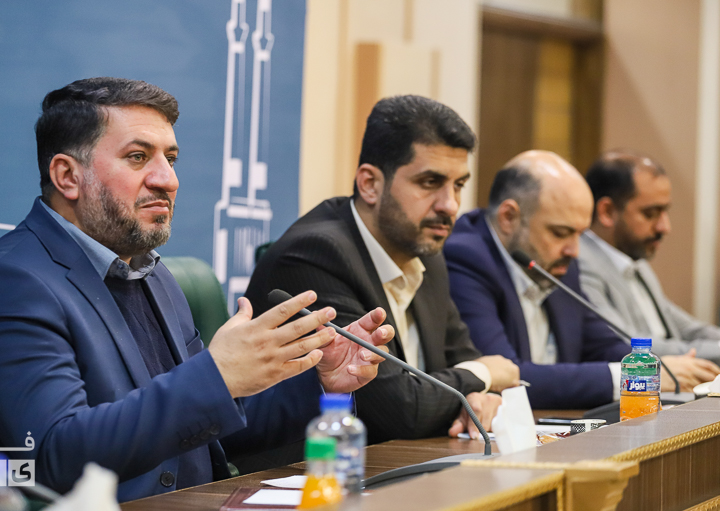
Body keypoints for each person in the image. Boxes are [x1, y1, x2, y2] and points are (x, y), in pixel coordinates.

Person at [0, 77, 393, 502]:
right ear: (67, 176)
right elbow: (57, 453)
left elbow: (208, 426)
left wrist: (320, 381)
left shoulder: (151, 273)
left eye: (170, 159)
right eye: (138, 157)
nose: (168, 180)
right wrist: (217, 376)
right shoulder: (9, 285)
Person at [243, 95, 518, 446]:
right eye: (430, 182)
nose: (450, 205)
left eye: (458, 185)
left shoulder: (425, 251)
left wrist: (483, 396)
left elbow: (463, 363)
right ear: (370, 184)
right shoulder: (315, 254)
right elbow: (397, 411)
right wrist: (484, 374)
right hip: (314, 469)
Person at [444, 150, 717, 409]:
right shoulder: (466, 258)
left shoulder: (560, 263)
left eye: (579, 234)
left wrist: (654, 368)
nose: (574, 251)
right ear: (508, 217)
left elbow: (602, 345)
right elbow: (505, 376)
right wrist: (638, 377)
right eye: (560, 233)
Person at [580, 150, 720, 371]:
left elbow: (685, 326)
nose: (665, 227)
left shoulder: (634, 259)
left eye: (664, 212)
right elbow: (626, 346)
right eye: (651, 213)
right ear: (607, 211)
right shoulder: (580, 264)